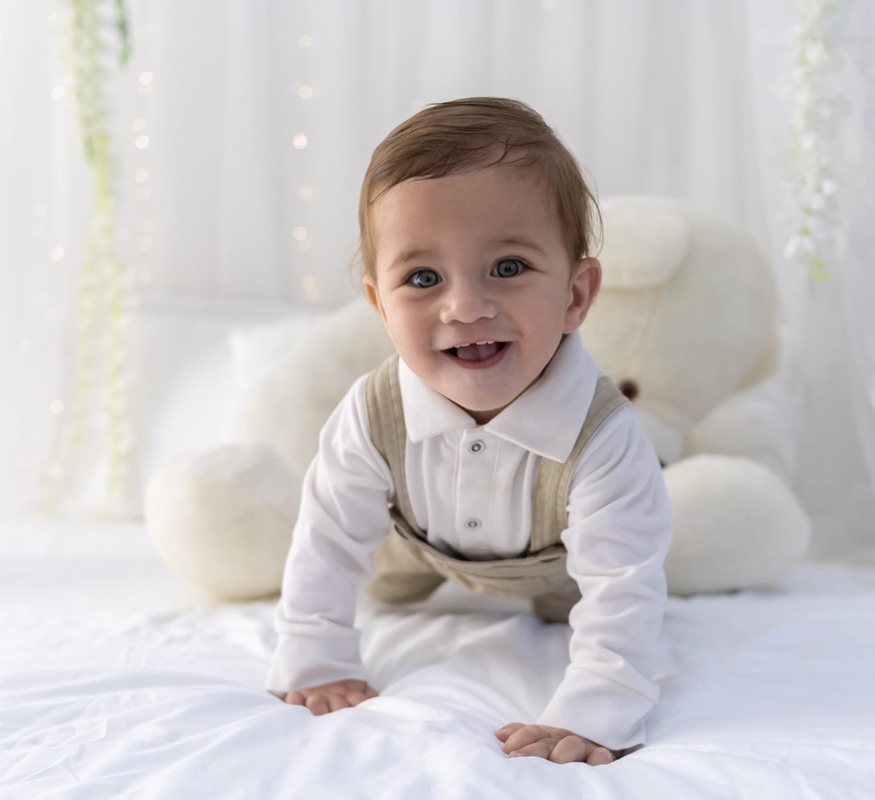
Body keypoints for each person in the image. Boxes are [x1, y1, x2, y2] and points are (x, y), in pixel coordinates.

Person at [266, 97, 671, 766]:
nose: (465, 307)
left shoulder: (603, 438)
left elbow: (622, 584)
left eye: (507, 268)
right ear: (380, 306)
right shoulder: (372, 415)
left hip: (559, 564)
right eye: (423, 278)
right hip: (415, 545)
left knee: (611, 579)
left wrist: (599, 711)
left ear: (575, 295)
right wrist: (315, 659)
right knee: (377, 577)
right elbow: (329, 540)